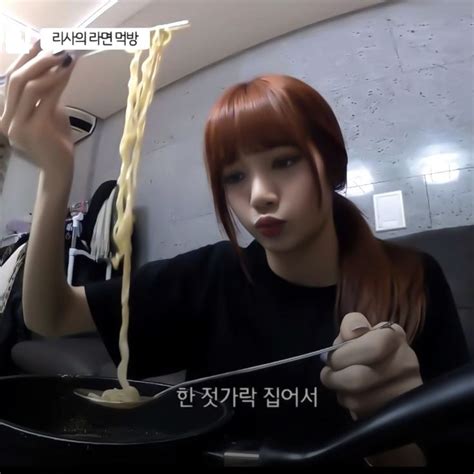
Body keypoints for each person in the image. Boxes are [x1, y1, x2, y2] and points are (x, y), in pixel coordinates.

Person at [0, 40, 470, 467]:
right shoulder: (210, 277)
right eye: (235, 177)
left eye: (284, 162)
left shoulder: (412, 278)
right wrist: (55, 173)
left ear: (332, 166)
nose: (261, 195)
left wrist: (386, 422)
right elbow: (50, 316)